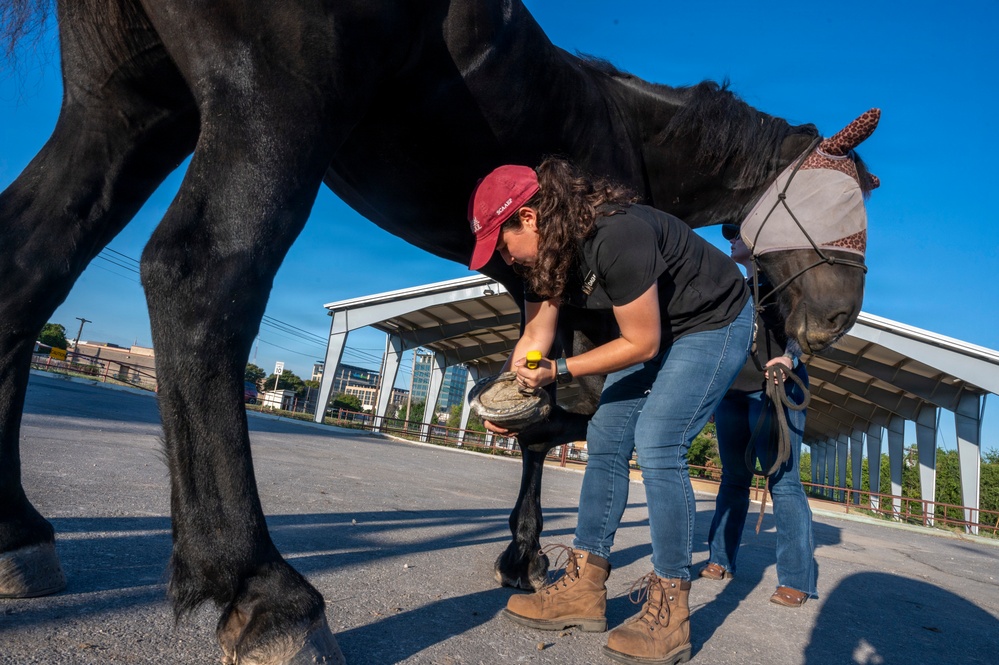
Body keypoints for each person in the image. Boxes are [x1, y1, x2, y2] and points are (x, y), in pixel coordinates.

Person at [468, 159, 753, 665]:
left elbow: (641, 343)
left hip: (713, 322)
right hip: (660, 330)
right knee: (605, 436)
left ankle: (671, 610)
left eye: (500, 243)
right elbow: (535, 339)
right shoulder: (545, 260)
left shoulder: (616, 234)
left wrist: (557, 373)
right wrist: (510, 401)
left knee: (660, 439)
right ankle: (582, 587)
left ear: (529, 219)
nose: (502, 259)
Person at [700, 223, 816, 608]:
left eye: (737, 233)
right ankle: (719, 558)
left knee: (783, 482)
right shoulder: (732, 290)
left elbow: (808, 325)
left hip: (775, 391)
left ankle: (797, 579)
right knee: (733, 478)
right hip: (731, 396)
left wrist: (791, 355)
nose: (730, 238)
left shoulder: (786, 286)